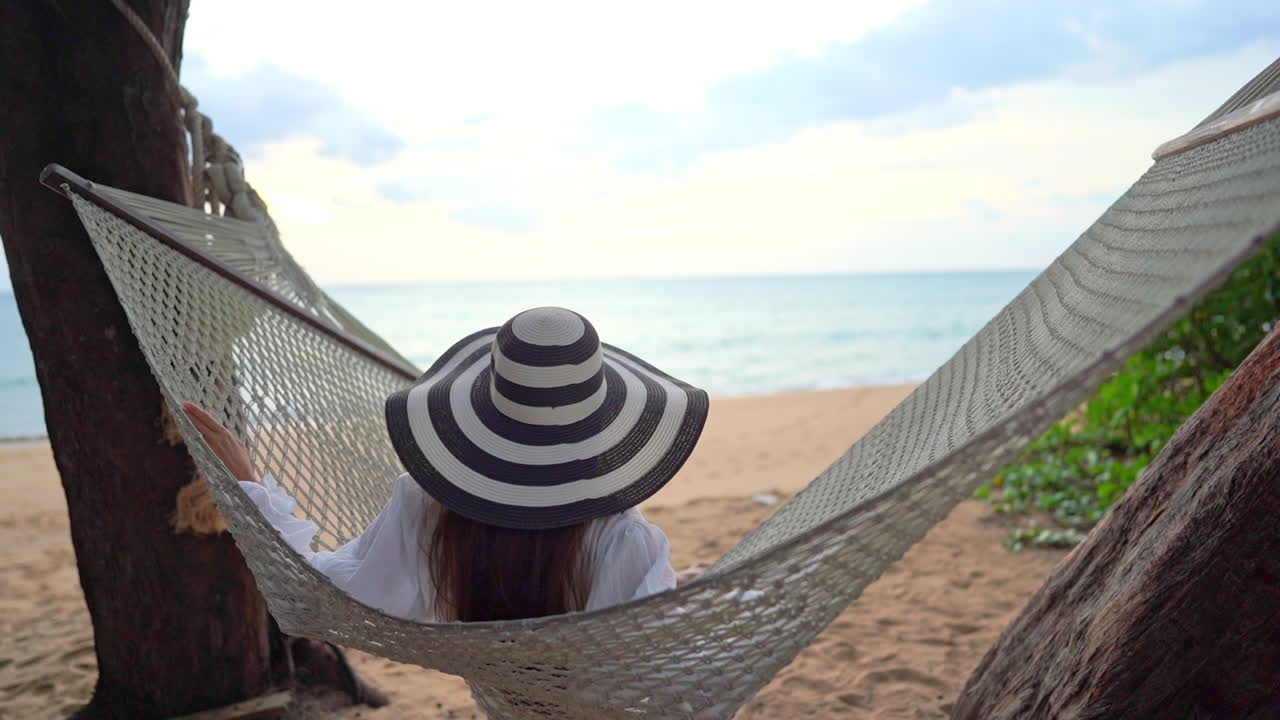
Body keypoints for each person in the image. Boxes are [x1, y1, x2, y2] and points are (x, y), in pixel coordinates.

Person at [184, 306, 711, 623]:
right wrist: (678, 602)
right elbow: (635, 651)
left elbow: (321, 594)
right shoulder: (624, 540)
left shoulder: (425, 508)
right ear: (603, 415)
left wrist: (254, 494)